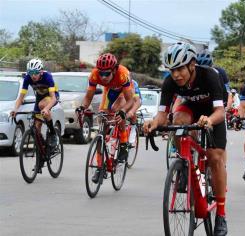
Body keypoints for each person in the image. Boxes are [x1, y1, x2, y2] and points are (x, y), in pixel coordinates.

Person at [144, 42, 228, 236]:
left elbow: (220, 112)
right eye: (172, 70)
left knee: (215, 158)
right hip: (191, 108)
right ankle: (187, 164)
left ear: (192, 65)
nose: (176, 75)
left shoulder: (210, 76)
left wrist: (209, 120)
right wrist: (153, 123)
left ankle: (221, 214)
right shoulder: (169, 82)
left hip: (212, 113)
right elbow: (163, 116)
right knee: (178, 121)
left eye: (180, 68)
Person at [79, 53, 134, 182]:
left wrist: (123, 112)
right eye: (101, 73)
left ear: (114, 69)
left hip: (123, 91)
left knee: (118, 111)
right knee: (103, 116)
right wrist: (82, 108)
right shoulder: (94, 74)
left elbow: (130, 100)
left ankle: (124, 144)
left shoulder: (122, 74)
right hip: (109, 90)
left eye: (107, 73)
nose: (103, 77)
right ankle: (100, 167)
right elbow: (88, 97)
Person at [11, 59, 59, 148]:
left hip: (52, 96)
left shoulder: (47, 77)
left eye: (35, 72)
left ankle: (52, 133)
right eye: (30, 72)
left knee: (42, 105)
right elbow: (20, 98)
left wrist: (46, 108)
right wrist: (15, 109)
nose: (33, 75)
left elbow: (53, 99)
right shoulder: (27, 78)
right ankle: (42, 149)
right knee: (36, 128)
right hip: (40, 97)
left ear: (41, 71)